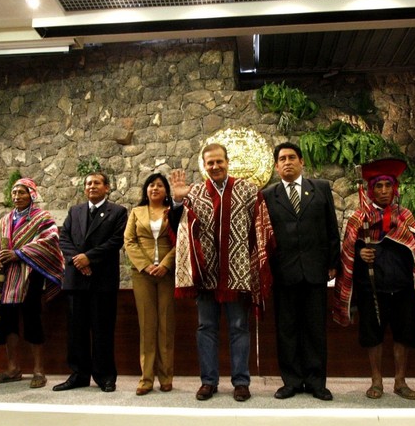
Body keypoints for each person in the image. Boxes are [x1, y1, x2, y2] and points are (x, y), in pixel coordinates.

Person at [170, 143, 273, 402]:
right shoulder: (193, 192)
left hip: (237, 274)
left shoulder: (248, 191)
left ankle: (241, 382)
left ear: (228, 162)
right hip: (206, 275)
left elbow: (261, 230)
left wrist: (256, 266)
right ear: (204, 166)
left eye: (219, 162)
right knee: (206, 328)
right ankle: (208, 381)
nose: (215, 166)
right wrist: (178, 201)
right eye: (210, 163)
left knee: (239, 328)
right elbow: (178, 229)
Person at [334, 158, 415, 401]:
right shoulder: (359, 219)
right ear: (371, 190)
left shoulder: (406, 216)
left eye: (388, 186)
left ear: (395, 188)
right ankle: (376, 381)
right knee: (372, 335)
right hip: (371, 288)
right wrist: (360, 253)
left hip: (402, 288)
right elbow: (346, 252)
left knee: (403, 335)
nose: (384, 191)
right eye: (379, 186)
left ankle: (400, 381)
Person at [262, 142, 339, 401]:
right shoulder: (268, 195)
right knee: (287, 329)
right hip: (283, 273)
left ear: (301, 161)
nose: (287, 162)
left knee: (315, 329)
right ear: (276, 166)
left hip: (315, 271)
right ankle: (292, 381)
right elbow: (265, 237)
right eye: (282, 159)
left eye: (291, 157)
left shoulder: (320, 189)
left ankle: (317, 382)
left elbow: (331, 229)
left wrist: (332, 263)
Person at [0, 178, 64, 389]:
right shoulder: (4, 221)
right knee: (7, 322)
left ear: (32, 195)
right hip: (6, 278)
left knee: (32, 319)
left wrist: (19, 253)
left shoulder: (42, 218)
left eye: (22, 193)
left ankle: (38, 369)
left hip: (30, 275)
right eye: (14, 193)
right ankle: (12, 367)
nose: (17, 197)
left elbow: (49, 240)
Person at [54, 172, 127, 393]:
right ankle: (79, 374)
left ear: (107, 187)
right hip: (76, 280)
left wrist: (90, 258)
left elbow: (116, 241)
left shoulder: (118, 212)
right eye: (88, 183)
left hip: (102, 280)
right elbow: (64, 237)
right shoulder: (75, 211)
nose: (92, 186)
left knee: (102, 329)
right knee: (76, 331)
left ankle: (105, 376)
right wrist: (78, 260)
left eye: (96, 183)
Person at [124, 173, 176, 396]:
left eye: (160, 185)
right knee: (147, 325)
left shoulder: (173, 212)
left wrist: (165, 264)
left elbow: (181, 239)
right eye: (151, 185)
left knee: (166, 325)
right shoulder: (136, 212)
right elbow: (129, 241)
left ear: (166, 191)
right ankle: (146, 379)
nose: (155, 188)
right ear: (146, 190)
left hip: (167, 272)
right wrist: (145, 265)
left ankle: (166, 377)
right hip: (142, 274)